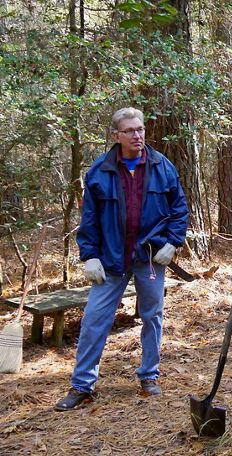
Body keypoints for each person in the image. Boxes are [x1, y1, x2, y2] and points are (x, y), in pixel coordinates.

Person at [55, 107, 189, 411]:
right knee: (94, 319)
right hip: (112, 259)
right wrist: (89, 256)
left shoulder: (161, 166)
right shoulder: (100, 171)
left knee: (152, 315)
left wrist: (173, 242)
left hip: (150, 256)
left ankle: (149, 376)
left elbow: (180, 210)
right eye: (130, 131)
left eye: (140, 129)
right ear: (116, 135)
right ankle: (82, 385)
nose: (137, 135)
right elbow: (89, 219)